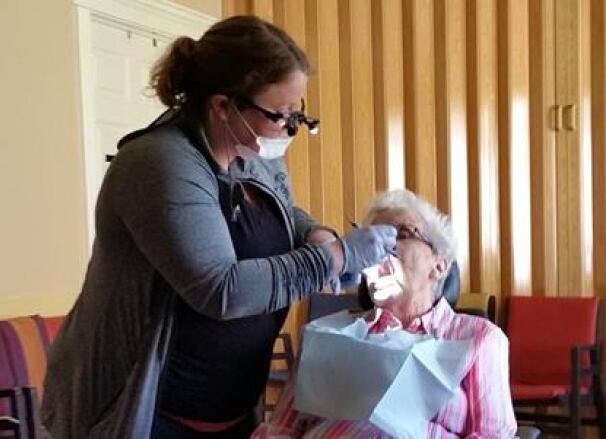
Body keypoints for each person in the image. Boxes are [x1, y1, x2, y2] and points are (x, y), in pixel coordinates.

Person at [41, 16, 396, 439]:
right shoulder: (160, 163)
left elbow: (281, 212)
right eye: (279, 114)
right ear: (222, 107)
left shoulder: (256, 151)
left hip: (228, 404)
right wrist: (335, 257)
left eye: (297, 113)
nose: (290, 129)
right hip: (144, 410)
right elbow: (220, 289)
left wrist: (313, 233)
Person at [252, 189, 517, 438]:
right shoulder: (326, 333)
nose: (378, 248)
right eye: (369, 238)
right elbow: (280, 430)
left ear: (439, 266)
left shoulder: (479, 339)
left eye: (400, 234)